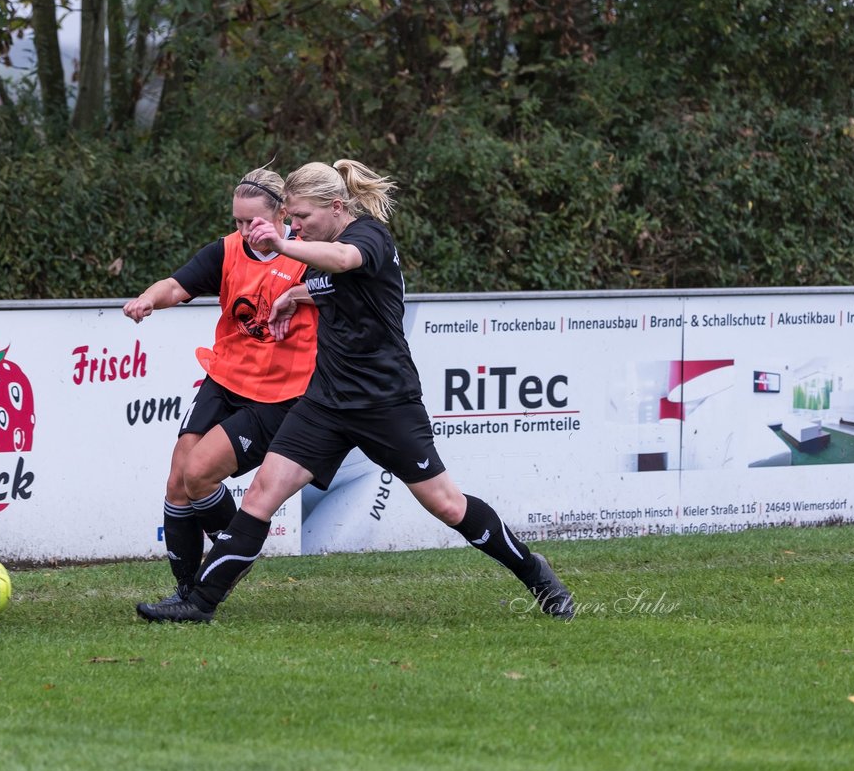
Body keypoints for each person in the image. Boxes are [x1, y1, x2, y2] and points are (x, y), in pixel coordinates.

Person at [136, 159, 575, 623]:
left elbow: (345, 264)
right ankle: (199, 603)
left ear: (337, 206)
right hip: (325, 402)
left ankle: (535, 573)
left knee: (447, 505)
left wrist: (283, 244)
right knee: (261, 494)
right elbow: (329, 285)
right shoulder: (316, 243)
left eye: (302, 217)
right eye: (291, 218)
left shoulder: (367, 237)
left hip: (385, 403)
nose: (296, 226)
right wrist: (293, 296)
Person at [123, 167, 318, 604]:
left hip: (276, 395)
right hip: (224, 377)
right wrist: (149, 300)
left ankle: (231, 558)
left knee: (199, 473)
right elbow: (178, 284)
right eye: (237, 221)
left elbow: (346, 286)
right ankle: (188, 590)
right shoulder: (227, 250)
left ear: (282, 213)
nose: (245, 230)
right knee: (178, 479)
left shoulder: (309, 252)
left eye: (253, 221)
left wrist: (296, 296)